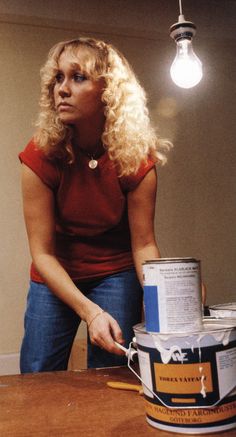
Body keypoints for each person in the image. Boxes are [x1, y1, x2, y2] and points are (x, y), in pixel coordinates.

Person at [19, 37, 171, 373]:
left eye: (78, 77)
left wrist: (169, 299)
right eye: (58, 77)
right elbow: (42, 253)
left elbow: (144, 245)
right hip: (56, 271)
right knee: (38, 371)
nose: (62, 88)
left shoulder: (135, 158)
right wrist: (90, 312)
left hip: (115, 272)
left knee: (111, 368)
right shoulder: (40, 154)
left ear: (108, 91)